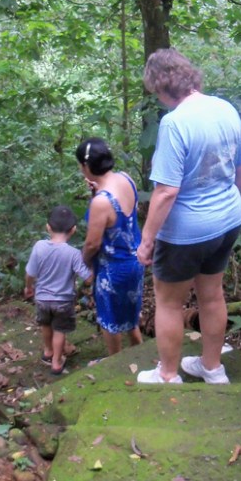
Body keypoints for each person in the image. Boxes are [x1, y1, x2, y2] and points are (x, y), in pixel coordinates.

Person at [136, 48, 241, 385]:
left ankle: (168, 374)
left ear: (160, 87)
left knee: (169, 303)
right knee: (212, 295)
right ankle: (212, 368)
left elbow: (166, 191)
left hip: (186, 232)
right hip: (228, 219)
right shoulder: (224, 107)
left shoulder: (174, 123)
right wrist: (229, 205)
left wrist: (146, 241)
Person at [75, 138, 144, 356]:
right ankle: (139, 354)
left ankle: (115, 363)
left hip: (113, 269)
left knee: (110, 320)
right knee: (130, 315)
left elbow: (92, 243)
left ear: (86, 166)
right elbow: (126, 215)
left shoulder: (101, 202)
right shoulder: (126, 178)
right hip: (136, 259)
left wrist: (83, 262)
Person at [24, 205, 92, 375]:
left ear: (48, 227)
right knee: (60, 330)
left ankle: (48, 351)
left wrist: (28, 287)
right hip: (63, 301)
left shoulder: (39, 246)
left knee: (46, 324)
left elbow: (30, 272)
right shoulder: (73, 253)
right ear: (73, 230)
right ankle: (56, 361)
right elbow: (88, 278)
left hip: (42, 299)